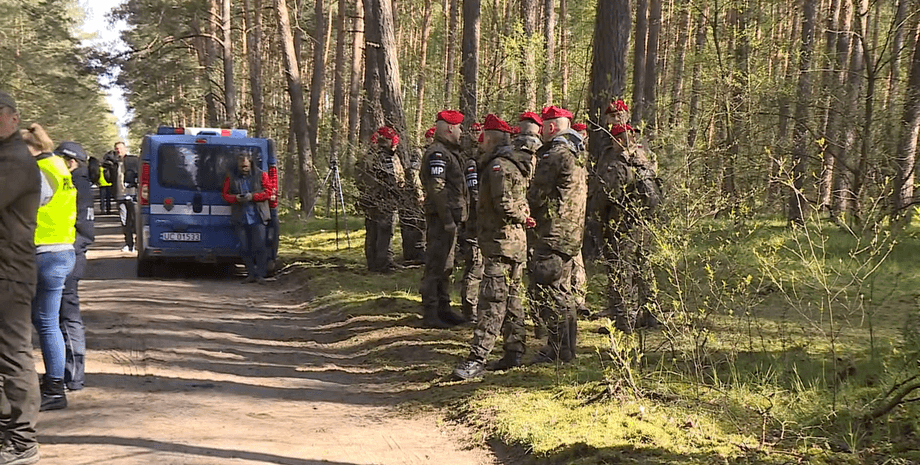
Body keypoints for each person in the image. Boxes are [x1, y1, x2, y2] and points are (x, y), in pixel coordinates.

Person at [453, 114, 535, 380]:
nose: (481, 144)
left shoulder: (498, 166)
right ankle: (514, 351)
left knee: (492, 302)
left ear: (489, 138)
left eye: (484, 139)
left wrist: (523, 218)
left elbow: (503, 203)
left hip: (502, 244)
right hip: (511, 244)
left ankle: (477, 358)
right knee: (512, 301)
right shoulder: (513, 163)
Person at [22, 123, 77, 413]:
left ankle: (55, 388)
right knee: (44, 320)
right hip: (61, 249)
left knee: (45, 322)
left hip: (45, 253)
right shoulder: (58, 165)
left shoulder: (39, 171)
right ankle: (54, 383)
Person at [0, 90, 42, 464]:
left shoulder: (14, 160)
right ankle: (7, 431)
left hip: (10, 274)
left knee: (14, 355)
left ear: (13, 119)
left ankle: (22, 440)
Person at [526, 105, 587, 364]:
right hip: (572, 232)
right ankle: (566, 348)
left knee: (550, 291)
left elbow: (537, 195)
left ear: (551, 127)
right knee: (564, 291)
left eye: (544, 127)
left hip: (553, 232)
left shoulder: (556, 155)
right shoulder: (579, 155)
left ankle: (558, 348)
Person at [592, 122, 661, 333]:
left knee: (621, 271)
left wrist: (594, 211)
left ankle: (624, 322)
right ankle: (651, 314)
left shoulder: (619, 164)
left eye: (613, 139)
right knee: (643, 269)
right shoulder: (644, 159)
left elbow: (607, 195)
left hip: (623, 225)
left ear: (619, 140)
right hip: (644, 224)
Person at [418, 110, 469, 328]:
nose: (461, 132)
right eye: (458, 128)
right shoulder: (438, 153)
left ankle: (443, 307)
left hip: (450, 218)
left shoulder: (449, 152)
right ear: (449, 128)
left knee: (446, 265)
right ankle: (430, 311)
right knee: (436, 264)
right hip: (441, 219)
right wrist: (447, 218)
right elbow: (437, 188)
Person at [55, 142, 94, 392]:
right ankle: (63, 373)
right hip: (71, 254)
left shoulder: (74, 184)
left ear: (70, 162)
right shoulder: (81, 182)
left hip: (69, 255)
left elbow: (82, 228)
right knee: (59, 319)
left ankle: (73, 376)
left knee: (68, 318)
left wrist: (68, 251)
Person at [355, 126, 403, 273]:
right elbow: (391, 179)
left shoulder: (367, 156)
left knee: (372, 232)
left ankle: (372, 263)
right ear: (388, 140)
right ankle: (383, 264)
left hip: (370, 199)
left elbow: (358, 178)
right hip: (384, 200)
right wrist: (397, 193)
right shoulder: (386, 156)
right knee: (384, 232)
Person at [222, 153, 272, 284]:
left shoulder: (262, 175)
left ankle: (260, 275)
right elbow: (225, 195)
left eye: (245, 165)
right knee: (244, 248)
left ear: (250, 163)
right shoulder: (231, 177)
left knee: (260, 246)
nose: (243, 168)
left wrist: (253, 197)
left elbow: (269, 192)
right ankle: (250, 274)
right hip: (240, 217)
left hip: (258, 217)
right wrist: (236, 198)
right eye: (241, 166)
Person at [458, 121, 483, 323]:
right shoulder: (473, 164)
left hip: (485, 225)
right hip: (475, 223)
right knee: (475, 265)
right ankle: (469, 308)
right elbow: (474, 195)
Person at [104, 141, 139, 253]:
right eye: (116, 149)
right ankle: (129, 244)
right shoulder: (113, 163)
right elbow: (109, 179)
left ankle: (138, 242)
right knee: (124, 221)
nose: (118, 151)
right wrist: (107, 169)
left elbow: (139, 173)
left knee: (135, 220)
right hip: (120, 195)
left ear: (125, 149)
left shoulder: (133, 160)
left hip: (132, 194)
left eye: (120, 148)